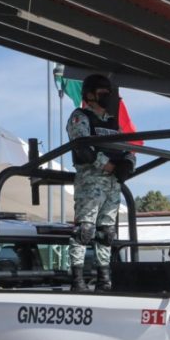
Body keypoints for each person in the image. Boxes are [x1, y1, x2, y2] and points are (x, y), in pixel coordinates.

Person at [67, 73, 136, 292]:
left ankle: (104, 279)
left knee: (107, 233)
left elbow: (129, 148)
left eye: (109, 92)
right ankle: (77, 280)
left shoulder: (113, 121)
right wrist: (109, 166)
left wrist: (128, 163)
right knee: (84, 230)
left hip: (113, 184)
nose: (107, 96)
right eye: (102, 92)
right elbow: (83, 148)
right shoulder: (80, 117)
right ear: (90, 95)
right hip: (91, 182)